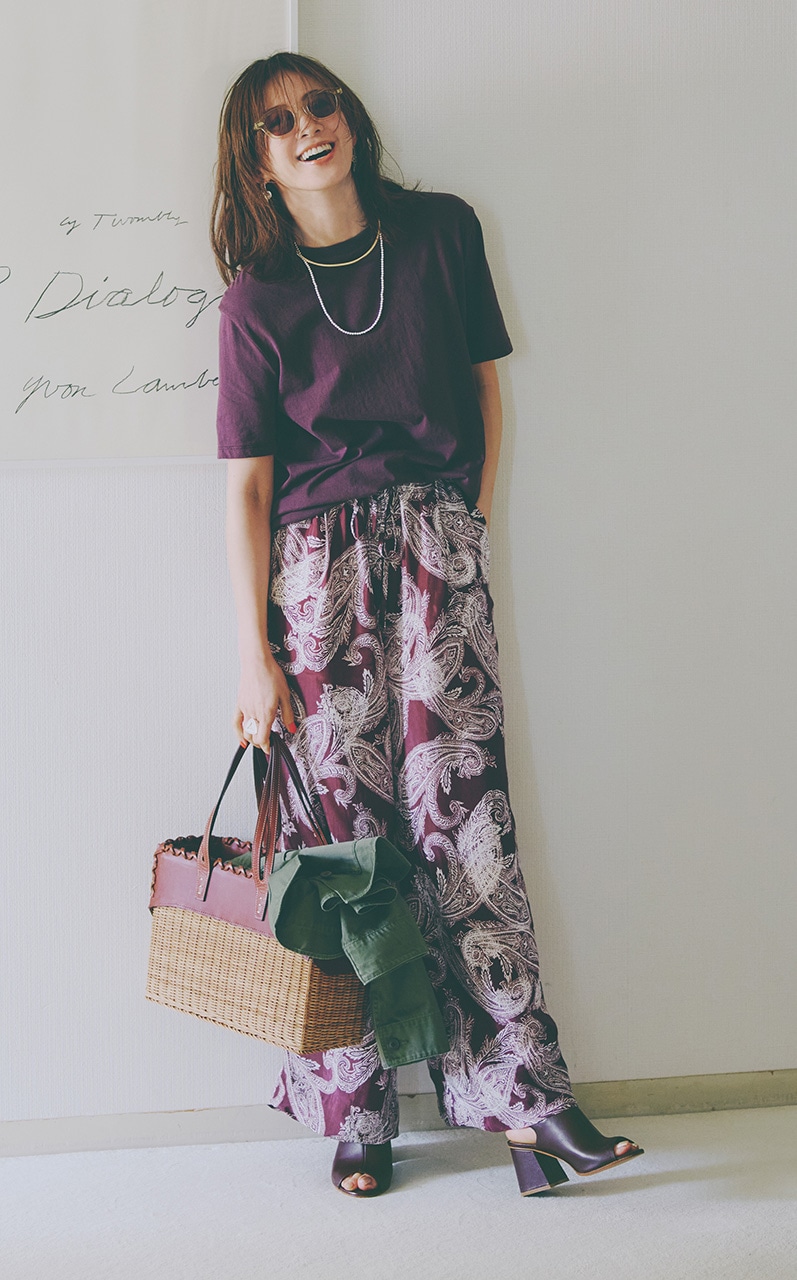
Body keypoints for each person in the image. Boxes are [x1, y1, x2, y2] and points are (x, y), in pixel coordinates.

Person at [211, 51, 644, 1198]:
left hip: (433, 549)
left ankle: (527, 1103)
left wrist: (463, 529)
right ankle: (357, 1112)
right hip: (314, 579)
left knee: (467, 826)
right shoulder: (256, 299)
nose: (307, 127)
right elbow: (247, 487)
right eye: (277, 122)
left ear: (349, 118)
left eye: (319, 105)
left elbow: (483, 388)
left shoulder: (441, 233)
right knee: (344, 848)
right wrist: (252, 654)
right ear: (255, 161)